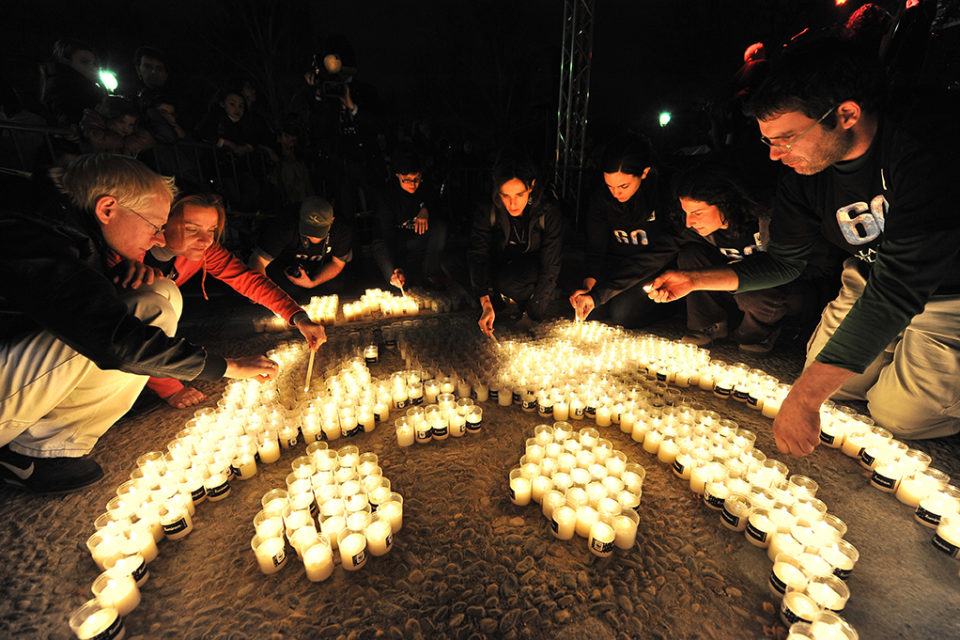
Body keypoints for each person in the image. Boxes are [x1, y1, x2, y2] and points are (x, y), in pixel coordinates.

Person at [646, 36, 960, 455]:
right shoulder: (806, 174)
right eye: (768, 141)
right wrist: (695, 279)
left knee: (896, 414)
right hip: (868, 278)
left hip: (946, 291)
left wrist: (806, 397)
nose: (776, 155)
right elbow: (783, 263)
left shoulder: (923, 152)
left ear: (846, 114)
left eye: (787, 137)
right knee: (837, 385)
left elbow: (901, 285)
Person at [0, 154, 278, 493]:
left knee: (156, 296)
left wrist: (111, 281)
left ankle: (41, 451)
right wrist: (227, 366)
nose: (160, 240)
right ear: (107, 209)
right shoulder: (28, 232)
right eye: (155, 226)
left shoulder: (71, 231)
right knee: (131, 324)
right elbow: (114, 340)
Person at [145, 193, 327, 408]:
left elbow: (247, 280)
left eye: (211, 230)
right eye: (191, 229)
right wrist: (172, 390)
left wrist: (298, 317)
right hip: (111, 348)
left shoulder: (205, 251)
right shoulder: (129, 262)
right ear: (161, 221)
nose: (205, 240)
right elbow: (132, 336)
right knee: (163, 293)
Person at [673, 162, 841, 353]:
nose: (689, 222)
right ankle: (710, 324)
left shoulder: (772, 220)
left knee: (752, 300)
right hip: (737, 292)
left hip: (784, 293)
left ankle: (757, 334)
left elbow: (820, 267)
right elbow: (670, 246)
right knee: (690, 256)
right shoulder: (700, 232)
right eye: (686, 213)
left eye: (697, 213)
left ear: (724, 203)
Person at [570, 134, 681, 328]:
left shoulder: (663, 196)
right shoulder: (601, 199)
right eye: (610, 186)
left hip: (652, 268)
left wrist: (601, 295)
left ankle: (677, 305)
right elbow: (596, 249)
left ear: (644, 172)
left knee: (622, 314)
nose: (616, 193)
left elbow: (659, 254)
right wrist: (589, 288)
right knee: (594, 311)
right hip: (616, 266)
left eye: (623, 186)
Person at [468, 155, 563, 337]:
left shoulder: (547, 210)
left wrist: (533, 314)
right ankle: (495, 302)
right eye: (506, 195)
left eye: (519, 195)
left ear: (532, 186)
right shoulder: (489, 208)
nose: (512, 204)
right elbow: (478, 252)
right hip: (501, 261)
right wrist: (485, 300)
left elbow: (551, 264)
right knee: (454, 262)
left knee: (510, 281)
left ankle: (516, 299)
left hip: (529, 267)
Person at [248, 196, 353, 304]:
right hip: (288, 270)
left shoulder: (341, 229)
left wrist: (313, 282)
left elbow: (337, 264)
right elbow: (258, 259)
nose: (313, 237)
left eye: (319, 231)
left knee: (335, 285)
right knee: (289, 291)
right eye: (309, 229)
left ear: (331, 221)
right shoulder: (285, 225)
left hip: (319, 268)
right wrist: (257, 289)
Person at [372, 147, 448, 290]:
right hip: (386, 242)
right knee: (399, 284)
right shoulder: (386, 195)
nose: (413, 184)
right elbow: (387, 235)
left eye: (417, 179)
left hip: (412, 240)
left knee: (439, 227)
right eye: (407, 180)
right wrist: (396, 267)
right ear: (397, 175)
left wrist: (426, 210)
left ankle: (430, 274)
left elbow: (441, 212)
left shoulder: (425, 187)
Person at [40, 38, 106, 130]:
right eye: (84, 62)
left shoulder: (84, 87)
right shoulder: (67, 88)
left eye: (94, 63)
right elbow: (65, 115)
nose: (92, 67)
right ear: (66, 62)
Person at [80, 96, 155, 156]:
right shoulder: (94, 128)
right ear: (110, 118)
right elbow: (96, 140)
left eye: (131, 125)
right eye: (121, 122)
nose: (126, 128)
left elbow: (147, 140)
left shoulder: (128, 138)